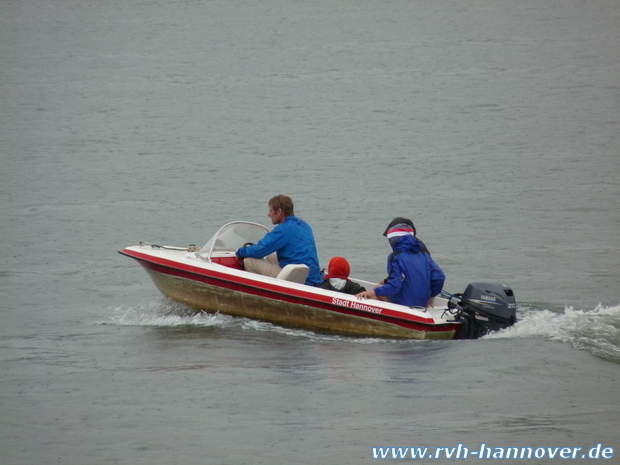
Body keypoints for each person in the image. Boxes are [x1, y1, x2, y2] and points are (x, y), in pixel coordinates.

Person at [235, 195, 322, 286]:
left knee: (249, 261)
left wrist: (239, 252)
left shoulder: (283, 229)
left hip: (299, 281)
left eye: (270, 211)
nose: (268, 215)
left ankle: (259, 293)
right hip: (313, 277)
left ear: (279, 211)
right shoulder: (304, 225)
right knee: (269, 254)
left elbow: (259, 249)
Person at [357, 222, 445, 307]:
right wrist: (431, 295)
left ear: (393, 240)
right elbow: (440, 277)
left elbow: (394, 285)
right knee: (380, 288)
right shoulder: (424, 255)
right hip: (423, 303)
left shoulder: (395, 257)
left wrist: (373, 292)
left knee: (375, 290)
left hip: (404, 304)